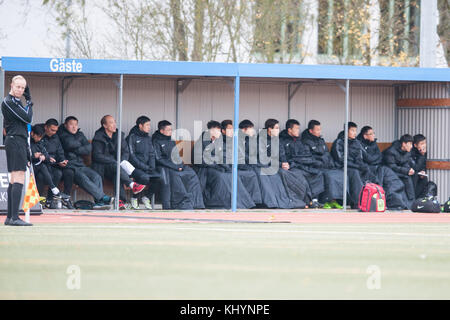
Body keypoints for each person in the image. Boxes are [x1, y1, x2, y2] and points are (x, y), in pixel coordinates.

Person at [193, 120, 255, 209]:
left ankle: (243, 203)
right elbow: (199, 160)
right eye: (217, 130)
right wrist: (216, 165)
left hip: (216, 167)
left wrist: (224, 166)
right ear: (211, 131)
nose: (219, 133)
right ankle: (217, 202)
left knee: (231, 175)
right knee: (221, 176)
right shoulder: (202, 141)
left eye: (219, 130)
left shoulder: (218, 142)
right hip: (204, 169)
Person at [58, 116, 113, 209]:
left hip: (81, 165)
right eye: (71, 124)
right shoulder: (62, 134)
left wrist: (75, 149)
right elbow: (69, 144)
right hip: (70, 167)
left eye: (76, 124)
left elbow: (88, 148)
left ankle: (99, 202)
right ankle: (103, 198)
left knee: (96, 177)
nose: (74, 127)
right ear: (65, 125)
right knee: (83, 178)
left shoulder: (80, 134)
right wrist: (80, 146)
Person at [91, 115, 145, 210]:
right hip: (102, 168)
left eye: (114, 122)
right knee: (116, 168)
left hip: (116, 167)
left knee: (118, 175)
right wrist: (115, 162)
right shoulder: (98, 136)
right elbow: (97, 156)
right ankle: (132, 184)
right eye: (111, 122)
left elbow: (125, 151)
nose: (114, 124)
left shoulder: (119, 135)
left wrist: (120, 162)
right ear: (105, 125)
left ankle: (120, 201)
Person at [1, 75, 33, 226]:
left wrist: (27, 150)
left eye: (23, 87)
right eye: (18, 87)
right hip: (14, 141)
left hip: (18, 141)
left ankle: (9, 218)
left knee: (14, 178)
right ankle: (14, 217)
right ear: (11, 86)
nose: (20, 90)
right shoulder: (8, 102)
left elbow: (24, 123)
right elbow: (27, 118)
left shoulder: (17, 102)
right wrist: (30, 103)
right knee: (18, 176)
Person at [152, 120, 205, 210]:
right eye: (168, 130)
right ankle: (181, 203)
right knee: (175, 176)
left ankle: (197, 203)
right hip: (166, 168)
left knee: (191, 173)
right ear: (162, 131)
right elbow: (159, 159)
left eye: (171, 129)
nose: (171, 132)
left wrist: (181, 165)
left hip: (176, 166)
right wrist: (175, 167)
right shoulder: (156, 141)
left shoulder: (171, 141)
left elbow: (176, 155)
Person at [357, 126, 408, 209]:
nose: (373, 135)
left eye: (374, 133)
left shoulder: (374, 143)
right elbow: (368, 159)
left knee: (396, 182)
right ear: (365, 136)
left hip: (380, 168)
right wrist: (374, 159)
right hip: (367, 170)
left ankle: (401, 204)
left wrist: (373, 159)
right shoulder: (359, 144)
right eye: (371, 134)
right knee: (380, 183)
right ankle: (385, 202)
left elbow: (379, 157)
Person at [279, 119, 325, 208]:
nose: (298, 131)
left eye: (299, 129)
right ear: (289, 130)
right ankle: (307, 201)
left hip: (301, 165)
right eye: (296, 129)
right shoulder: (282, 141)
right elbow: (283, 158)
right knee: (300, 175)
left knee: (316, 173)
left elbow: (305, 155)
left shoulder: (300, 140)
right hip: (291, 167)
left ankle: (315, 200)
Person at [126, 116, 169, 210]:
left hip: (147, 168)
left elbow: (152, 154)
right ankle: (134, 198)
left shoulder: (148, 138)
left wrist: (152, 167)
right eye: (147, 125)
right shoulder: (131, 137)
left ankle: (146, 198)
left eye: (150, 125)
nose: (149, 127)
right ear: (140, 126)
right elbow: (131, 157)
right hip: (134, 168)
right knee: (144, 177)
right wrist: (144, 167)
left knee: (159, 177)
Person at [300, 120, 344, 209]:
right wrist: (320, 163)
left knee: (339, 174)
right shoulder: (305, 141)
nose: (320, 132)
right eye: (317, 130)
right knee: (328, 176)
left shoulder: (321, 140)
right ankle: (325, 200)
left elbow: (327, 154)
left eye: (320, 129)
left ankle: (335, 200)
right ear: (311, 131)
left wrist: (331, 164)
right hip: (316, 167)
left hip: (326, 166)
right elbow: (308, 158)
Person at [331, 122, 374, 209]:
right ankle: (358, 202)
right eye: (352, 130)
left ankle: (372, 199)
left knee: (368, 171)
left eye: (355, 131)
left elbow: (359, 158)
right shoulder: (339, 142)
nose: (355, 133)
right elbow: (341, 160)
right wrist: (357, 166)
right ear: (346, 131)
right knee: (355, 173)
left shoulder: (356, 143)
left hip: (354, 167)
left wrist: (362, 166)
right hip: (341, 167)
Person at [221, 120, 262, 206]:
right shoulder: (224, 141)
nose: (232, 131)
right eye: (229, 129)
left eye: (232, 129)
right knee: (249, 173)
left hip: (241, 165)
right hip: (227, 167)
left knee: (252, 173)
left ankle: (255, 201)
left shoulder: (239, 140)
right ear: (223, 131)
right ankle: (246, 202)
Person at [41, 118, 75, 209]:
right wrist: (47, 158)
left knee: (70, 171)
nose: (54, 132)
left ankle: (66, 199)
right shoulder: (40, 135)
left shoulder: (56, 137)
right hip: (43, 163)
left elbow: (60, 152)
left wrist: (62, 160)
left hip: (55, 163)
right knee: (57, 173)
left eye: (56, 130)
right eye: (52, 130)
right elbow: (37, 150)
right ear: (45, 127)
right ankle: (49, 200)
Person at [30, 124, 62, 202]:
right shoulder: (27, 142)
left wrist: (44, 157)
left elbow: (46, 154)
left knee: (41, 175)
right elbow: (23, 156)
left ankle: (39, 199)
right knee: (42, 167)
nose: (39, 139)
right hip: (29, 167)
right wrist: (33, 156)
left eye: (41, 137)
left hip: (38, 168)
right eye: (37, 136)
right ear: (32, 133)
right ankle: (53, 187)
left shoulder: (40, 142)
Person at [382, 134, 416, 208]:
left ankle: (411, 203)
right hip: (388, 173)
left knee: (410, 176)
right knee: (404, 178)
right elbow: (391, 166)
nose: (411, 146)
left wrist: (409, 170)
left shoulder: (407, 152)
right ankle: (405, 204)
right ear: (403, 144)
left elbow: (406, 163)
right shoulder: (391, 151)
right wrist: (406, 171)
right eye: (410, 144)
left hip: (398, 172)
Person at [411, 134, 433, 198]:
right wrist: (422, 155)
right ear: (415, 145)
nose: (424, 145)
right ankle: (414, 199)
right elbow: (415, 167)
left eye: (425, 143)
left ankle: (420, 200)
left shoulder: (423, 152)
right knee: (415, 178)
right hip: (411, 174)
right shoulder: (411, 152)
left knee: (424, 179)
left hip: (419, 174)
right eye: (422, 143)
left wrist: (423, 171)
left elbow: (423, 165)